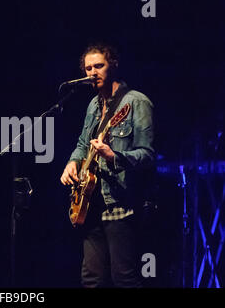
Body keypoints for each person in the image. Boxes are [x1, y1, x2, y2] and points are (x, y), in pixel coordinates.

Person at [60, 43, 156, 288]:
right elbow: (83, 144)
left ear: (113, 65)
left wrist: (114, 156)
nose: (93, 72)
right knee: (91, 279)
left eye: (99, 66)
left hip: (121, 203)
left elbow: (147, 155)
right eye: (88, 68)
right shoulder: (93, 105)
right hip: (90, 203)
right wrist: (72, 162)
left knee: (124, 278)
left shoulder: (136, 103)